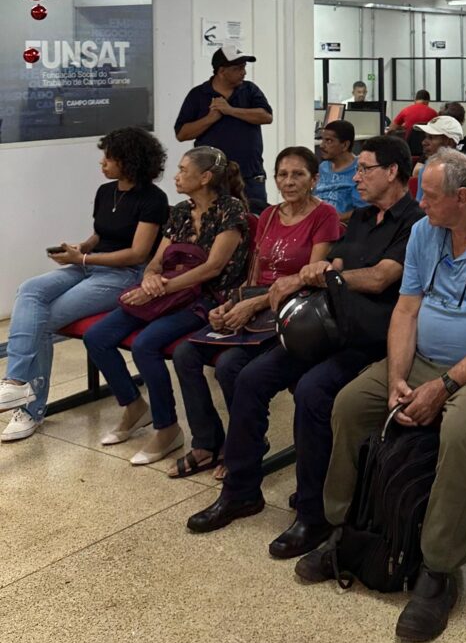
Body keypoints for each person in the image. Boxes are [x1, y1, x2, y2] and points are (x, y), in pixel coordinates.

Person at [304, 149, 466, 643]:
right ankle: (343, 530)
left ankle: (439, 569)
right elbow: (406, 311)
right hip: (423, 360)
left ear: (462, 197)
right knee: (350, 404)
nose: (420, 203)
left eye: (429, 196)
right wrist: (396, 378)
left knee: (459, 428)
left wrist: (444, 385)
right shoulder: (425, 233)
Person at [185, 136, 423, 557]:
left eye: (365, 169)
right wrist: (323, 270)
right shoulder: (363, 216)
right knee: (249, 377)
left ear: (392, 172)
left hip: (368, 336)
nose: (356, 177)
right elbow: (337, 262)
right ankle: (241, 490)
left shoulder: (415, 223)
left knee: (313, 391)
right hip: (325, 325)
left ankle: (314, 514)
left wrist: (320, 276)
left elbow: (381, 277)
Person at [170, 146, 338, 479]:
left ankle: (246, 443)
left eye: (298, 174)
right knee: (185, 353)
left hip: (293, 310)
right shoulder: (269, 216)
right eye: (282, 175)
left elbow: (309, 279)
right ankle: (207, 442)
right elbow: (253, 275)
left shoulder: (325, 216)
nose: (289, 182)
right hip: (256, 305)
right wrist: (232, 303)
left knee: (229, 366)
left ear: (314, 180)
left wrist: (254, 304)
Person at [83, 148, 250, 465]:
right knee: (97, 336)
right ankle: (134, 406)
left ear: (205, 177)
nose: (176, 176)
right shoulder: (181, 211)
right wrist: (149, 278)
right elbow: (157, 260)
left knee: (146, 345)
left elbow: (213, 268)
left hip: (207, 298)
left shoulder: (230, 210)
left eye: (183, 170)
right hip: (167, 292)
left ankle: (167, 427)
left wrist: (160, 288)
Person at [0, 128, 169, 442]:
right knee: (29, 289)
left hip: (123, 274)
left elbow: (137, 253)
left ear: (129, 161)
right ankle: (16, 383)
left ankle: (30, 410)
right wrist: (81, 248)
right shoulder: (106, 191)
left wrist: (84, 259)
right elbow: (101, 235)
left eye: (109, 158)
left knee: (42, 322)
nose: (102, 163)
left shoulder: (153, 199)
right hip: (90, 265)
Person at [175, 44, 273, 211]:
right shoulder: (198, 94)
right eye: (238, 68)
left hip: (250, 176)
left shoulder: (250, 90)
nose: (244, 72)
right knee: (212, 220)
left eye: (244, 67)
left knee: (254, 220)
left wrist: (230, 110)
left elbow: (266, 116)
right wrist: (210, 119)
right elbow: (182, 134)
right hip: (212, 179)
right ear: (221, 71)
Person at [314, 120, 366, 223]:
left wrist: (333, 218)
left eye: (329, 141)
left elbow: (364, 210)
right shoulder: (323, 167)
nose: (322, 146)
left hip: (342, 226)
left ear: (345, 145)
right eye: (322, 140)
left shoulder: (360, 170)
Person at [413, 115, 465, 199]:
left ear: (449, 142)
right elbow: (420, 204)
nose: (424, 142)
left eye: (431, 138)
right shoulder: (425, 169)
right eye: (426, 137)